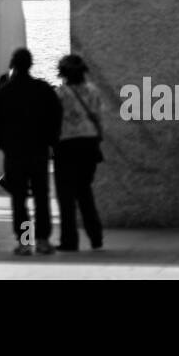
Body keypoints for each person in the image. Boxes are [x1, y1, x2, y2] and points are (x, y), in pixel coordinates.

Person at [0, 47, 61, 255]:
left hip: (14, 154)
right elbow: (56, 117)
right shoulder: (43, 89)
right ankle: (43, 240)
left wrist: (4, 144)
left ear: (13, 65)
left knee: (19, 200)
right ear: (31, 65)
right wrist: (49, 141)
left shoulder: (4, 93)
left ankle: (25, 242)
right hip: (38, 152)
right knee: (41, 197)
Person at [54, 54, 104, 251]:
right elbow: (100, 116)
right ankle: (96, 236)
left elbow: (54, 121)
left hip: (66, 145)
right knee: (85, 190)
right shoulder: (93, 91)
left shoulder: (60, 94)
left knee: (66, 196)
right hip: (89, 144)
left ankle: (69, 240)